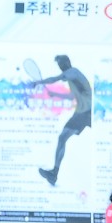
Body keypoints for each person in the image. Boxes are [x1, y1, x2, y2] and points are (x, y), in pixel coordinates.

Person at [37, 54, 93, 187]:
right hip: (83, 113)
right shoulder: (72, 77)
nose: (60, 67)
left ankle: (54, 173)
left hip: (86, 113)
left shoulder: (73, 72)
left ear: (67, 62)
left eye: (61, 64)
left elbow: (55, 79)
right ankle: (54, 174)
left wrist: (39, 82)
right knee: (62, 138)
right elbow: (71, 96)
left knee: (62, 138)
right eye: (59, 65)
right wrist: (55, 94)